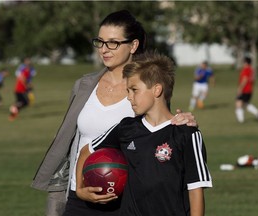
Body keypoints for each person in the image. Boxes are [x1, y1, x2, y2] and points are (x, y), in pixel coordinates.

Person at [31, 10, 197, 216]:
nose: (104, 49)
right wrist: (71, 188)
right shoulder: (84, 85)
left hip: (123, 198)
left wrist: (183, 120)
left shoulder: (143, 90)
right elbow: (70, 139)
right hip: (78, 193)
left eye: (113, 43)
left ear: (133, 45)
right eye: (100, 42)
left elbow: (160, 130)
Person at [76, 51, 212, 216]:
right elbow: (86, 151)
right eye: (128, 91)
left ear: (156, 90)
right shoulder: (126, 128)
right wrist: (80, 189)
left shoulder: (186, 134)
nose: (129, 97)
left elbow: (196, 191)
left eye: (134, 90)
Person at [235, 56, 258, 123]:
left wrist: (240, 88)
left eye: (243, 62)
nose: (243, 63)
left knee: (238, 103)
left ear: (246, 62)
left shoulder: (246, 69)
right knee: (245, 104)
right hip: (249, 89)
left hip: (245, 90)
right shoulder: (251, 69)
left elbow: (245, 79)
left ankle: (241, 120)